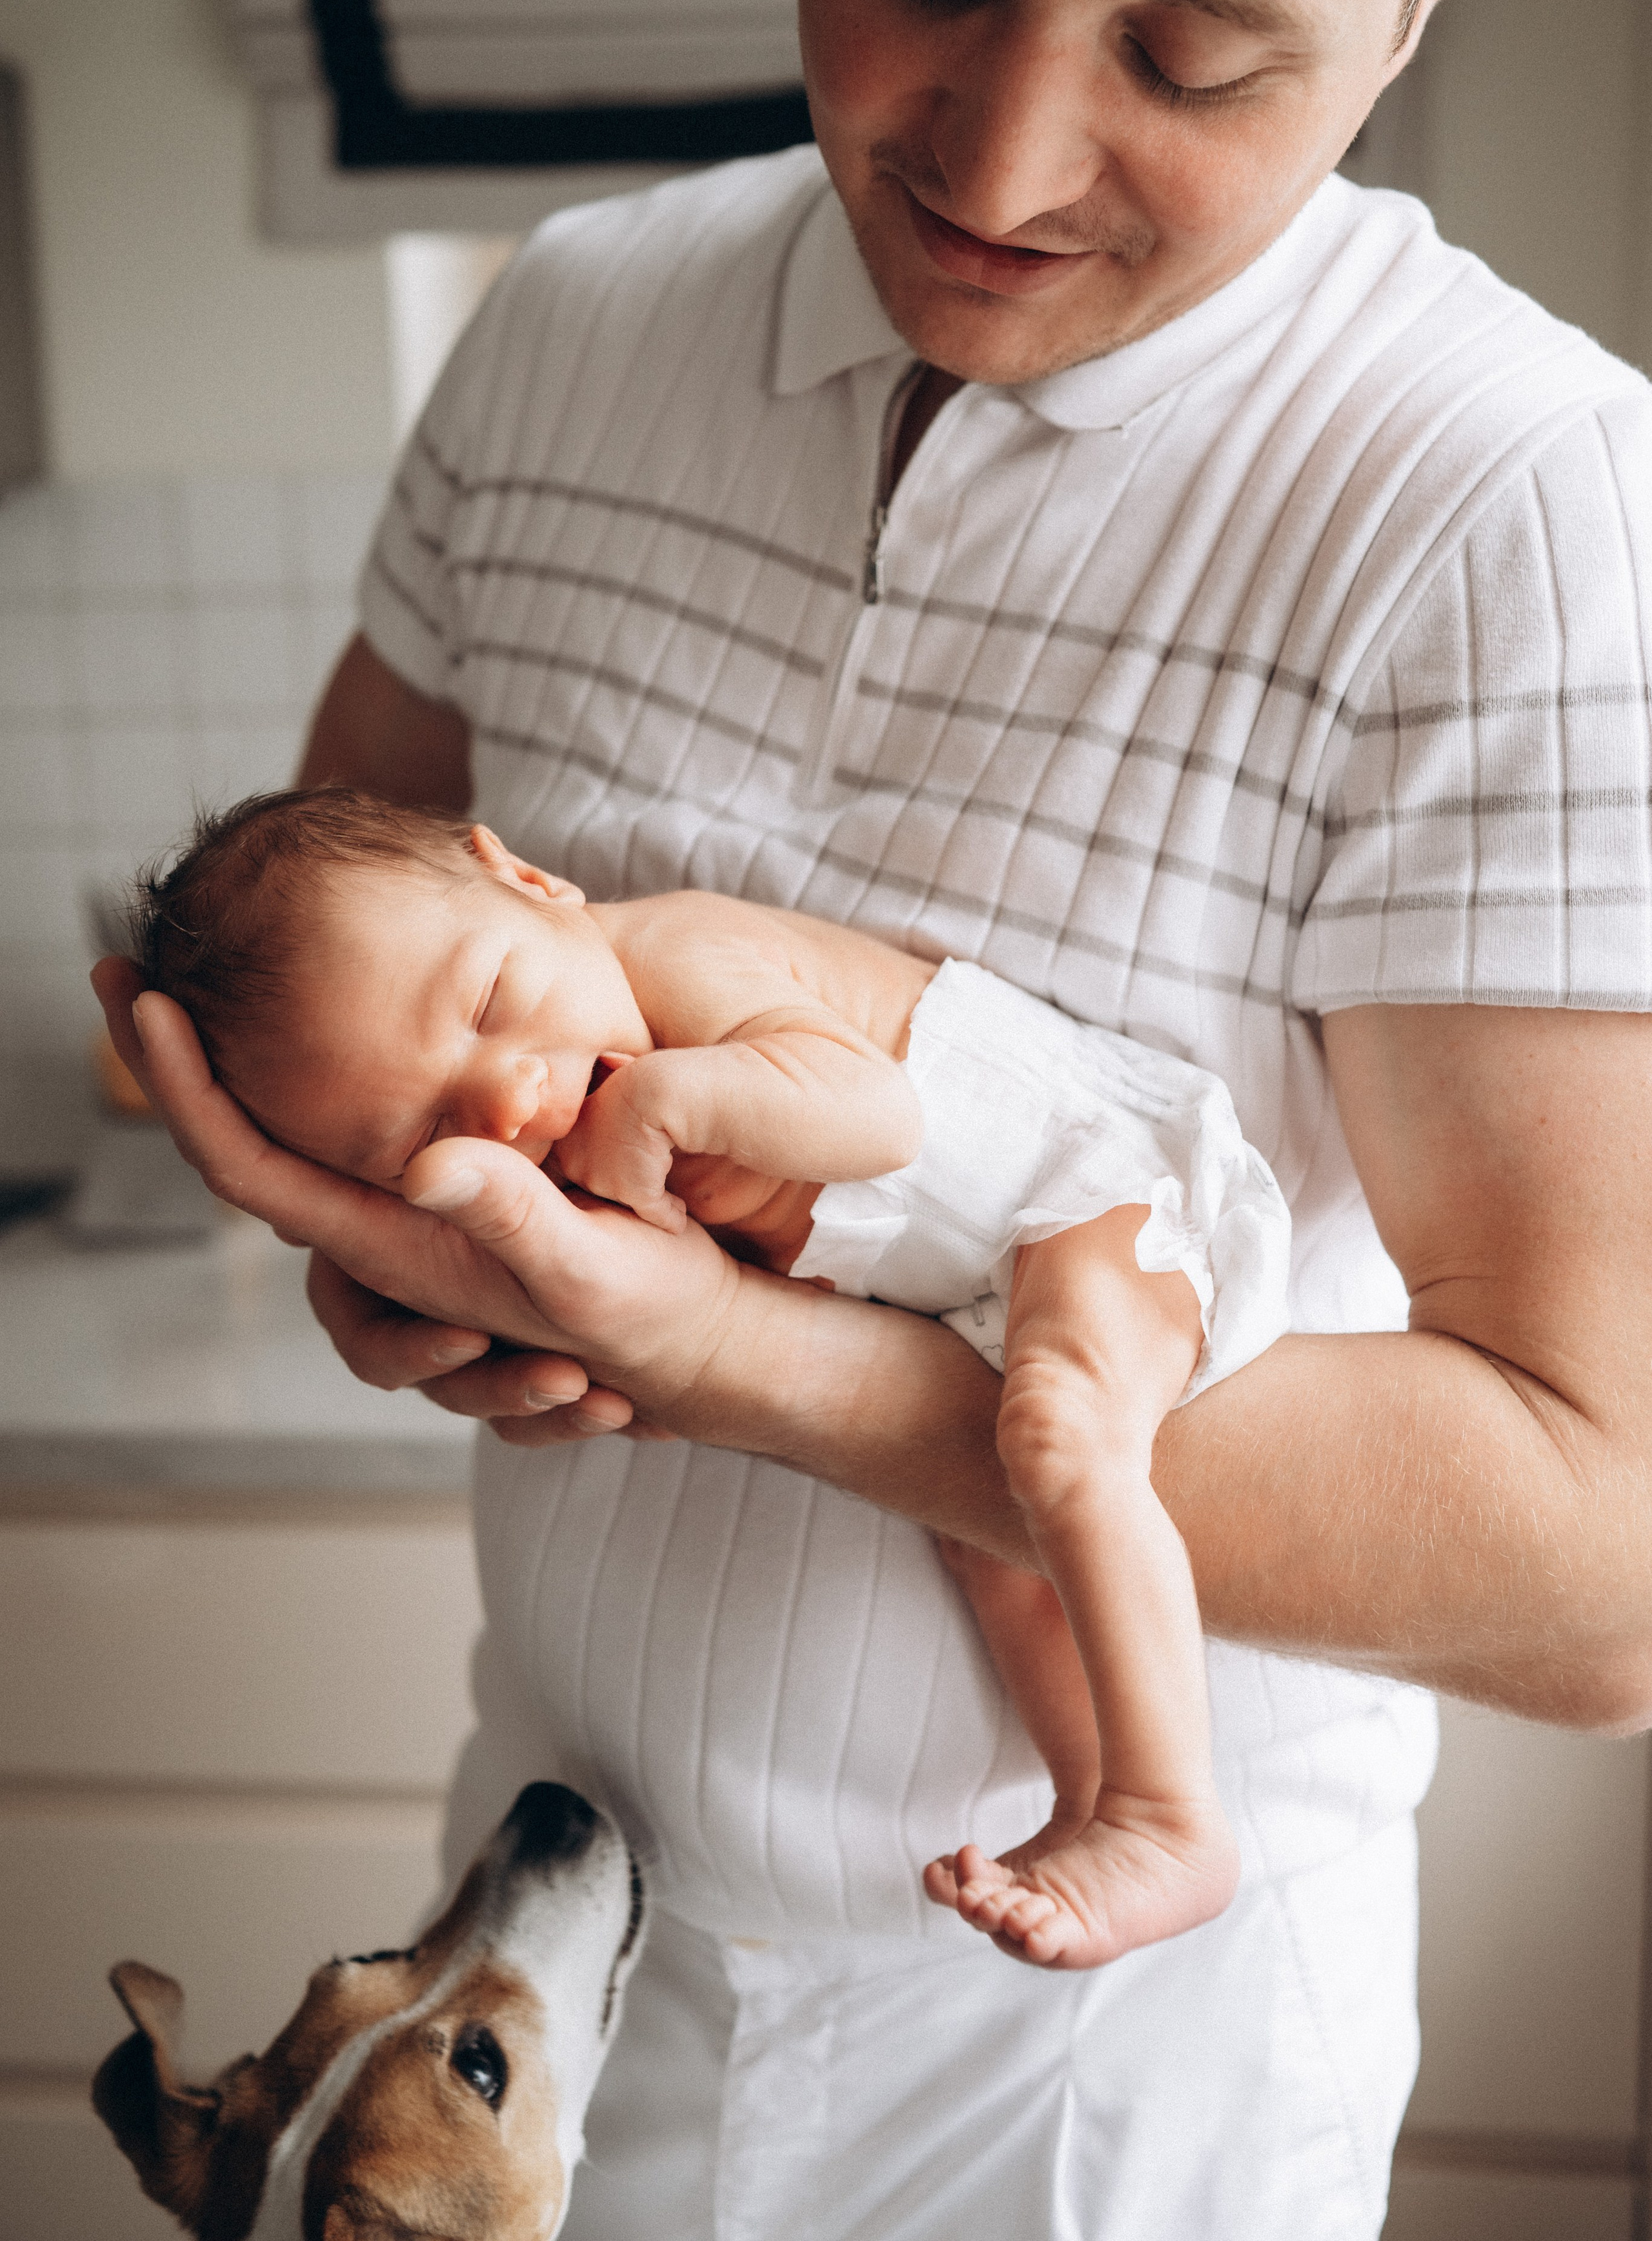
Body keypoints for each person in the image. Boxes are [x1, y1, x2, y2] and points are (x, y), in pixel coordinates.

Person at [95, 0, 1652, 2232]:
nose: (1004, 160)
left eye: (1196, 56)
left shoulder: (1511, 499)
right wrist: (398, 1272)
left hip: (1101, 2085)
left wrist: (738, 1362)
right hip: (531, 1970)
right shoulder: (570, 326)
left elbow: (1603, 1555)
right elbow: (339, 961)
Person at [130, 786, 1294, 1967]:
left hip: (1109, 1184)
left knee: (1059, 1440)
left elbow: (877, 1119)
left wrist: (662, 1104)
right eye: (428, 1132)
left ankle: (1172, 1820)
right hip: (995, 1287)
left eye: (492, 1001)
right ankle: (1091, 1799)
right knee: (996, 1549)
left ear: (530, 880)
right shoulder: (548, 1125)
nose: (509, 1099)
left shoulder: (679, 954)